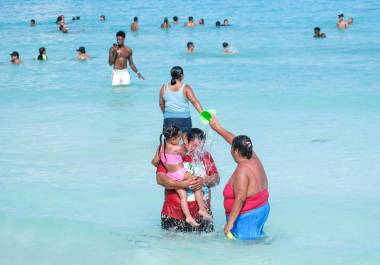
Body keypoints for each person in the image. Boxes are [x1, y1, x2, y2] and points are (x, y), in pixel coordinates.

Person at [209, 116, 270, 240]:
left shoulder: (242, 171)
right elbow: (233, 139)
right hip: (262, 210)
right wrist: (217, 128)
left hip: (247, 216)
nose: (230, 150)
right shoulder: (253, 157)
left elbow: (240, 198)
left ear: (236, 151)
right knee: (256, 241)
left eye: (232, 148)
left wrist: (230, 223)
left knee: (245, 250)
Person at [156, 128, 220, 232]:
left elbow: (216, 179)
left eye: (201, 147)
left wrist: (203, 181)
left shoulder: (205, 156)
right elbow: (160, 179)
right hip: (175, 215)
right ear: (186, 140)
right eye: (194, 146)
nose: (197, 150)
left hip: (203, 217)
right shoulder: (173, 154)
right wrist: (184, 184)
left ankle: (202, 210)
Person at [159, 66, 203, 134]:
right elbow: (194, 102)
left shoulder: (164, 87)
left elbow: (161, 104)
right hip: (183, 119)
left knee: (169, 141)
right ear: (182, 76)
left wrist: (166, 114)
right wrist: (203, 113)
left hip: (168, 119)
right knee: (185, 141)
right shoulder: (185, 87)